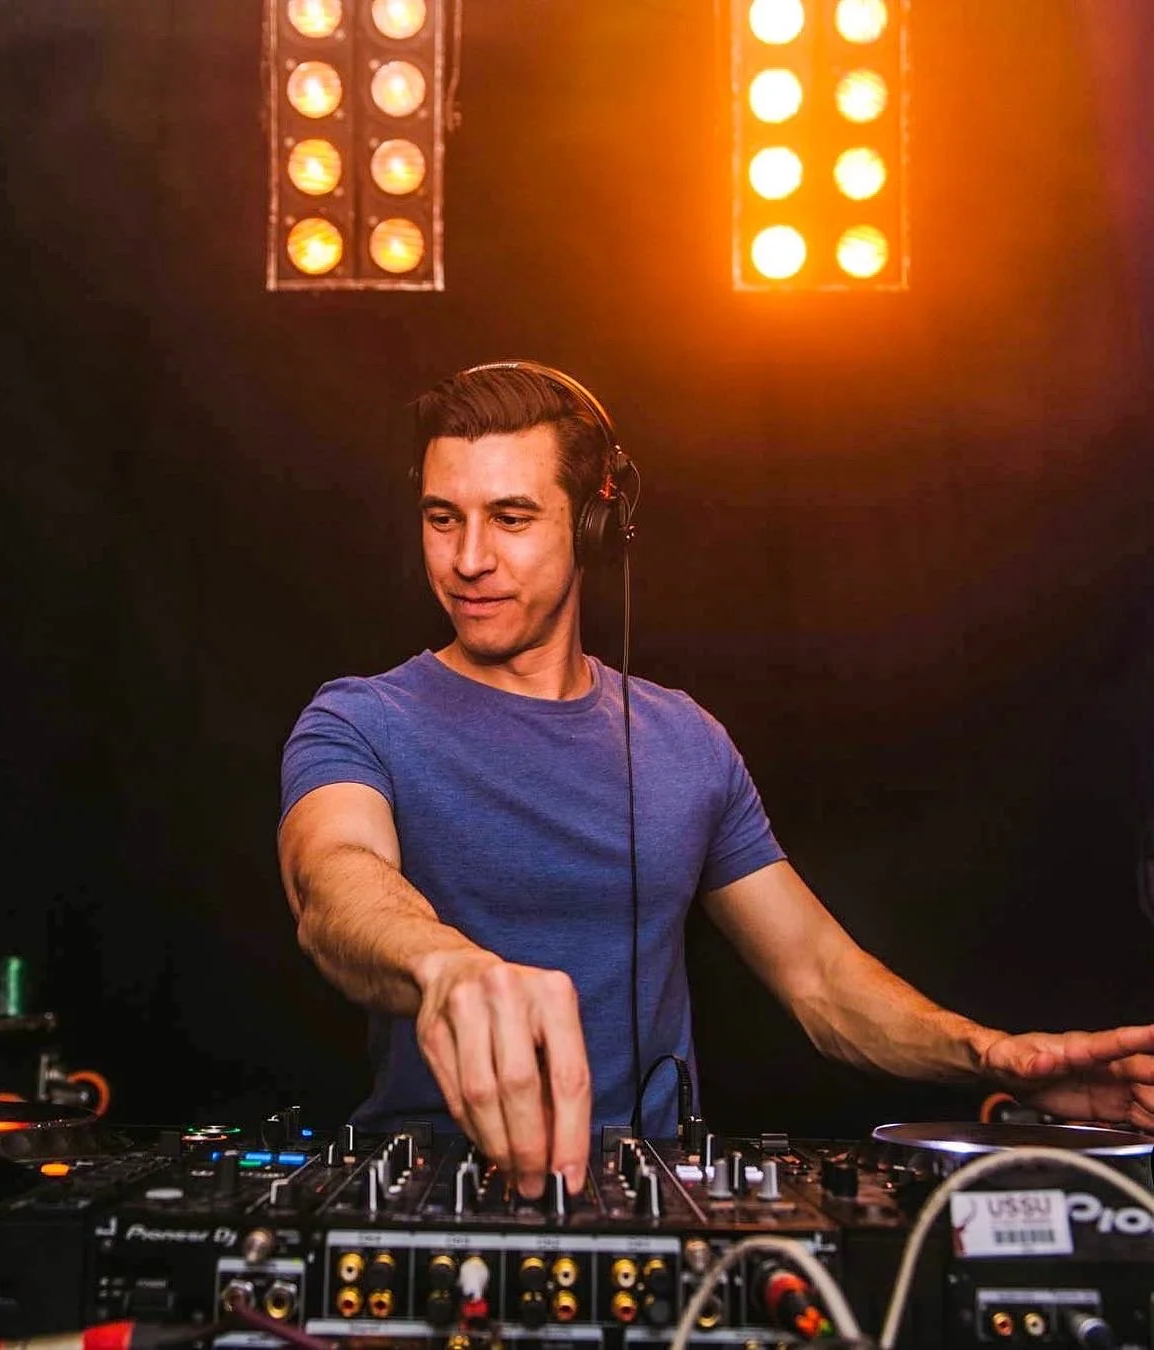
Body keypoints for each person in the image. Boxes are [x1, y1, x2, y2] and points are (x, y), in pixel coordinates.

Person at [278, 361, 1154, 1201]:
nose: (467, 558)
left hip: (653, 1199)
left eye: (510, 517)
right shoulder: (360, 720)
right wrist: (447, 967)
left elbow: (818, 980)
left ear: (593, 524)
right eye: (442, 518)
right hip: (424, 1193)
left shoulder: (684, 739)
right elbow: (335, 882)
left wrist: (993, 1058)